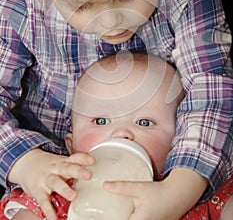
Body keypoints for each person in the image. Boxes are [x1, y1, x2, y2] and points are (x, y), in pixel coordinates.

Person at [0, 0, 232, 219]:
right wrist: (27, 162)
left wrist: (180, 189)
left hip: (172, 166)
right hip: (62, 169)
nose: (110, 21)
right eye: (81, 6)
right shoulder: (19, 2)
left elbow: (211, 90)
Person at [0, 52, 232, 220]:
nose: (121, 133)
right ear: (71, 146)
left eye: (145, 122)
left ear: (179, 141)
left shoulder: (189, 192)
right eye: (100, 121)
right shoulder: (57, 191)